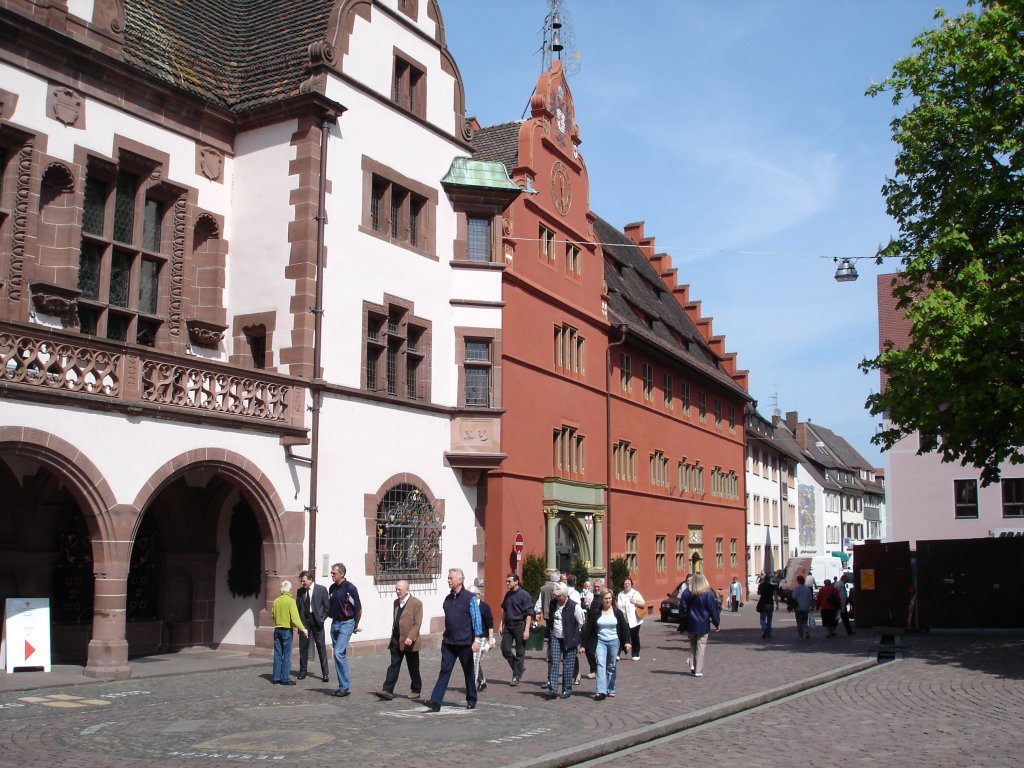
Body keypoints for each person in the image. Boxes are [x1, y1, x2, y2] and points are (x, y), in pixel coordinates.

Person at [425, 568, 483, 711]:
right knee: (444, 670)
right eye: (448, 578)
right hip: (449, 642)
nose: (448, 580)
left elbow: (476, 619)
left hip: (465, 642)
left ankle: (471, 698)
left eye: (451, 578)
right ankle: (436, 700)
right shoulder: (448, 598)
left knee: (468, 671)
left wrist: (477, 639)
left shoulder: (470, 598)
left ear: (460, 580)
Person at [376, 579, 423, 701]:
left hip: (409, 641)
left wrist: (410, 637)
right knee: (394, 665)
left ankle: (416, 689)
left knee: (413, 667)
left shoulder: (416, 603)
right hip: (396, 639)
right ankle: (387, 690)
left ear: (407, 590)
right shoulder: (396, 602)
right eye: (396, 589)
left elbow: (417, 623)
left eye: (399, 589)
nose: (397, 591)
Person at [582, 589, 630, 700]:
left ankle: (610, 688)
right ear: (601, 599)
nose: (607, 600)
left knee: (611, 666)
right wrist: (583, 645)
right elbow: (588, 629)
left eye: (609, 598)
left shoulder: (617, 612)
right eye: (605, 598)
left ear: (612, 599)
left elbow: (624, 628)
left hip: (614, 641)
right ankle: (601, 691)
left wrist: (627, 642)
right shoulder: (596, 612)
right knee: (601, 665)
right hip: (600, 641)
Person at [544, 582, 585, 700]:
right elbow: (551, 618)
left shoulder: (574, 606)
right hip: (555, 637)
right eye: (556, 596)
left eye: (560, 596)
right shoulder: (553, 604)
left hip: (569, 638)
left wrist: (576, 636)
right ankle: (552, 689)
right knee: (554, 662)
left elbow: (581, 622)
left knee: (568, 664)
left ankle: (567, 689)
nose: (557, 598)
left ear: (565, 595)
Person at [327, 562, 362, 697]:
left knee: (338, 653)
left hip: (347, 623)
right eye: (331, 573)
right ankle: (343, 685)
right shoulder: (332, 588)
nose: (332, 575)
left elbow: (358, 608)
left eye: (334, 573)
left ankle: (345, 687)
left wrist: (355, 624)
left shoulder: (350, 588)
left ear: (341, 574)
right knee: (339, 655)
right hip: (335, 623)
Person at [680, 573, 720, 677]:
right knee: (700, 647)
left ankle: (692, 666)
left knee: (692, 645)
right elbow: (713, 610)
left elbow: (683, 608)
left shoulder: (687, 593)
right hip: (703, 624)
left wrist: (685, 618)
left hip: (691, 623)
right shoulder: (707, 595)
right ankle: (698, 670)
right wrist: (717, 623)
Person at [295, 569, 330, 682]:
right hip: (304, 621)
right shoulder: (300, 591)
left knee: (321, 646)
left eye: (304, 581)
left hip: (316, 621)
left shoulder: (321, 589)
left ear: (310, 579)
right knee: (303, 647)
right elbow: (298, 607)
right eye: (301, 581)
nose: (303, 583)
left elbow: (327, 606)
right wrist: (298, 622)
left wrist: (322, 618)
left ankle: (325, 673)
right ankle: (303, 671)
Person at [499, 573, 533, 686]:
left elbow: (529, 614)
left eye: (509, 581)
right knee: (505, 649)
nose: (507, 583)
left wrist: (527, 629)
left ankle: (516, 676)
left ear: (516, 581)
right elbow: (505, 610)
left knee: (520, 651)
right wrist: (501, 624)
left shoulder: (525, 595)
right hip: (508, 625)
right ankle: (518, 668)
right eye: (506, 581)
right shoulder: (507, 595)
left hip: (520, 625)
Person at [271, 580, 307, 685]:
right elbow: (295, 618)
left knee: (277, 654)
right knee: (287, 655)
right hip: (286, 630)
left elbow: (272, 615)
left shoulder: (276, 601)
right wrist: (303, 629)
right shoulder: (291, 601)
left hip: (277, 629)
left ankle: (276, 677)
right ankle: (285, 678)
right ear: (289, 589)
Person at [468, 584, 495, 692]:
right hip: (470, 637)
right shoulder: (468, 606)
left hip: (482, 637)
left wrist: (491, 638)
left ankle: (471, 686)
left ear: (477, 595)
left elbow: (490, 623)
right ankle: (482, 680)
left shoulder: (484, 607)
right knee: (474, 660)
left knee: (474, 660)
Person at [581, 576, 605, 679]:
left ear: (602, 587)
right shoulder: (590, 596)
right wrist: (584, 604)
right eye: (595, 586)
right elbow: (583, 607)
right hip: (590, 626)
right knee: (588, 650)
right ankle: (593, 669)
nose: (596, 588)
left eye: (598, 587)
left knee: (600, 651)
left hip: (601, 627)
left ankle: (600, 669)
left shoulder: (604, 597)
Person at [616, 578, 645, 660]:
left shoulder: (635, 593)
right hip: (623, 620)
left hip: (634, 620)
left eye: (628, 583)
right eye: (625, 583)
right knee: (620, 636)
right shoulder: (620, 594)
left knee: (634, 636)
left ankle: (635, 653)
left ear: (631, 584)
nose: (627, 584)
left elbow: (643, 604)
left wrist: (635, 602)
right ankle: (617, 653)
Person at [792, 574, 813, 640]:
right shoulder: (807, 589)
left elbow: (793, 597)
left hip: (798, 607)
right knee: (804, 621)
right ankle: (806, 629)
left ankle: (801, 636)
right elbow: (810, 598)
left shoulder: (797, 589)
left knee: (799, 622)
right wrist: (811, 606)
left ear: (798, 581)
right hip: (806, 607)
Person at [755, 573, 776, 639]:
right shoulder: (772, 586)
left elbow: (758, 593)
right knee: (769, 619)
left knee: (762, 619)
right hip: (770, 603)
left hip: (763, 603)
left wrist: (761, 591)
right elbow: (775, 594)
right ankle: (768, 633)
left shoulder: (761, 585)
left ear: (764, 579)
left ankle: (764, 627)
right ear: (769, 579)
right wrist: (777, 604)